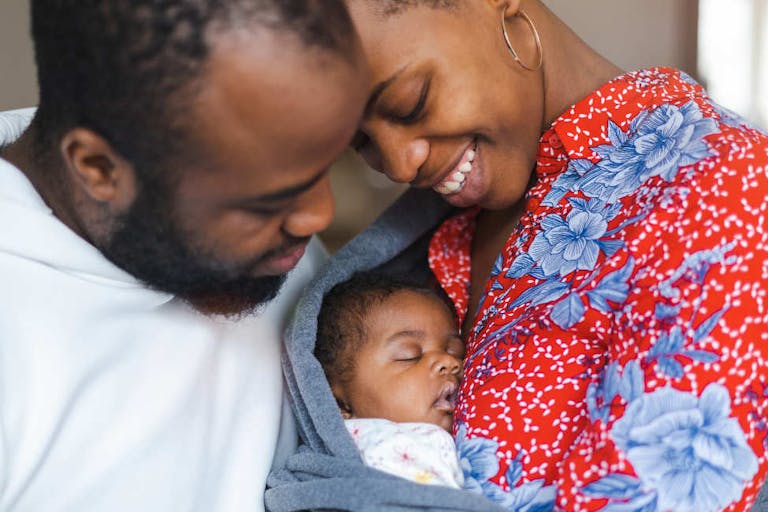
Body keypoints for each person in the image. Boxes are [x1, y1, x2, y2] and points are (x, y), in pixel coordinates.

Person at [272, 0, 768, 511]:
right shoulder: (465, 218)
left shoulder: (724, 186)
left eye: (410, 103)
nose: (399, 165)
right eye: (362, 142)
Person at [0, 0, 369, 510]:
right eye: (267, 201)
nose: (318, 216)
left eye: (326, 166)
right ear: (99, 168)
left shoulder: (264, 230)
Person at [315, 273, 465, 489]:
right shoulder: (391, 446)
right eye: (409, 356)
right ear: (338, 401)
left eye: (456, 351)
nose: (449, 361)